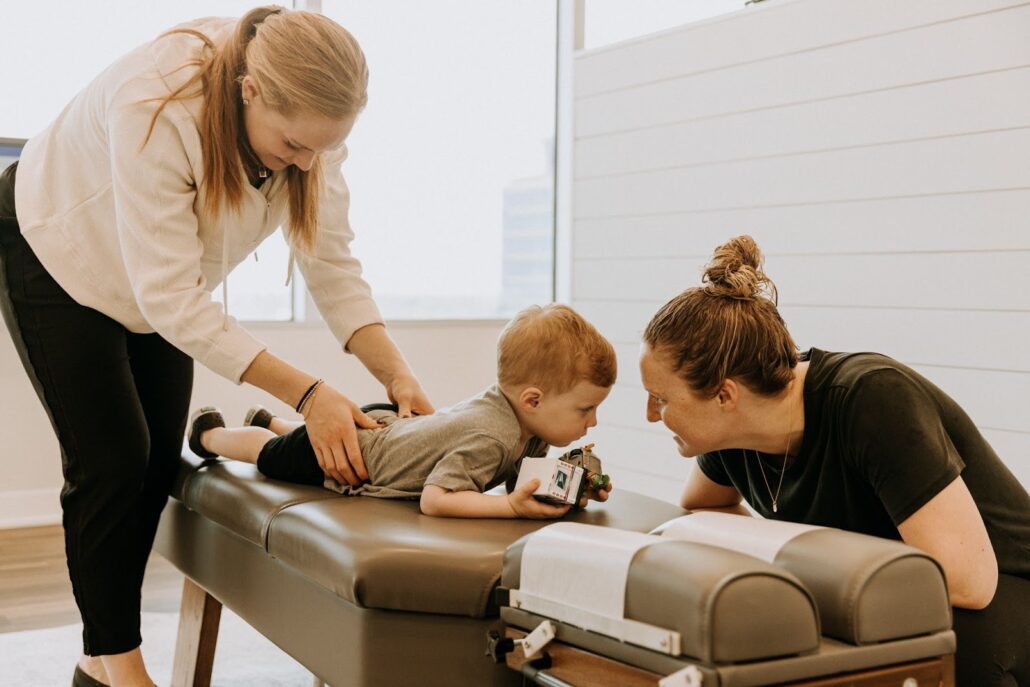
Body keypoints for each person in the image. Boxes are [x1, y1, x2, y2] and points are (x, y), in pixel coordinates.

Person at [0, 8, 434, 687]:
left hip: (153, 283)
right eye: (294, 146)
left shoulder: (311, 128)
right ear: (250, 91)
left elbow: (332, 265)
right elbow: (171, 299)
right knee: (113, 458)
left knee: (154, 462)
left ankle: (99, 662)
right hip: (53, 248)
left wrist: (399, 374)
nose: (307, 163)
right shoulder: (156, 101)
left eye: (323, 148)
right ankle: (124, 666)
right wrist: (309, 394)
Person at [638, 235, 1029, 686]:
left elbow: (969, 582)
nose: (650, 416)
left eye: (660, 399)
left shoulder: (872, 399)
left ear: (725, 395)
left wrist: (810, 576)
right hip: (894, 589)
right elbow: (704, 509)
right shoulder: (731, 435)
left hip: (1004, 589)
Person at [188, 304, 615, 518]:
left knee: (297, 435)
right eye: (586, 409)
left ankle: (273, 420)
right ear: (533, 400)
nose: (592, 422)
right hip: (359, 456)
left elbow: (519, 482)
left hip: (387, 427)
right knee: (270, 454)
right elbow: (436, 499)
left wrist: (570, 489)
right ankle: (212, 435)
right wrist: (510, 510)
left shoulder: (522, 421)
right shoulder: (493, 436)